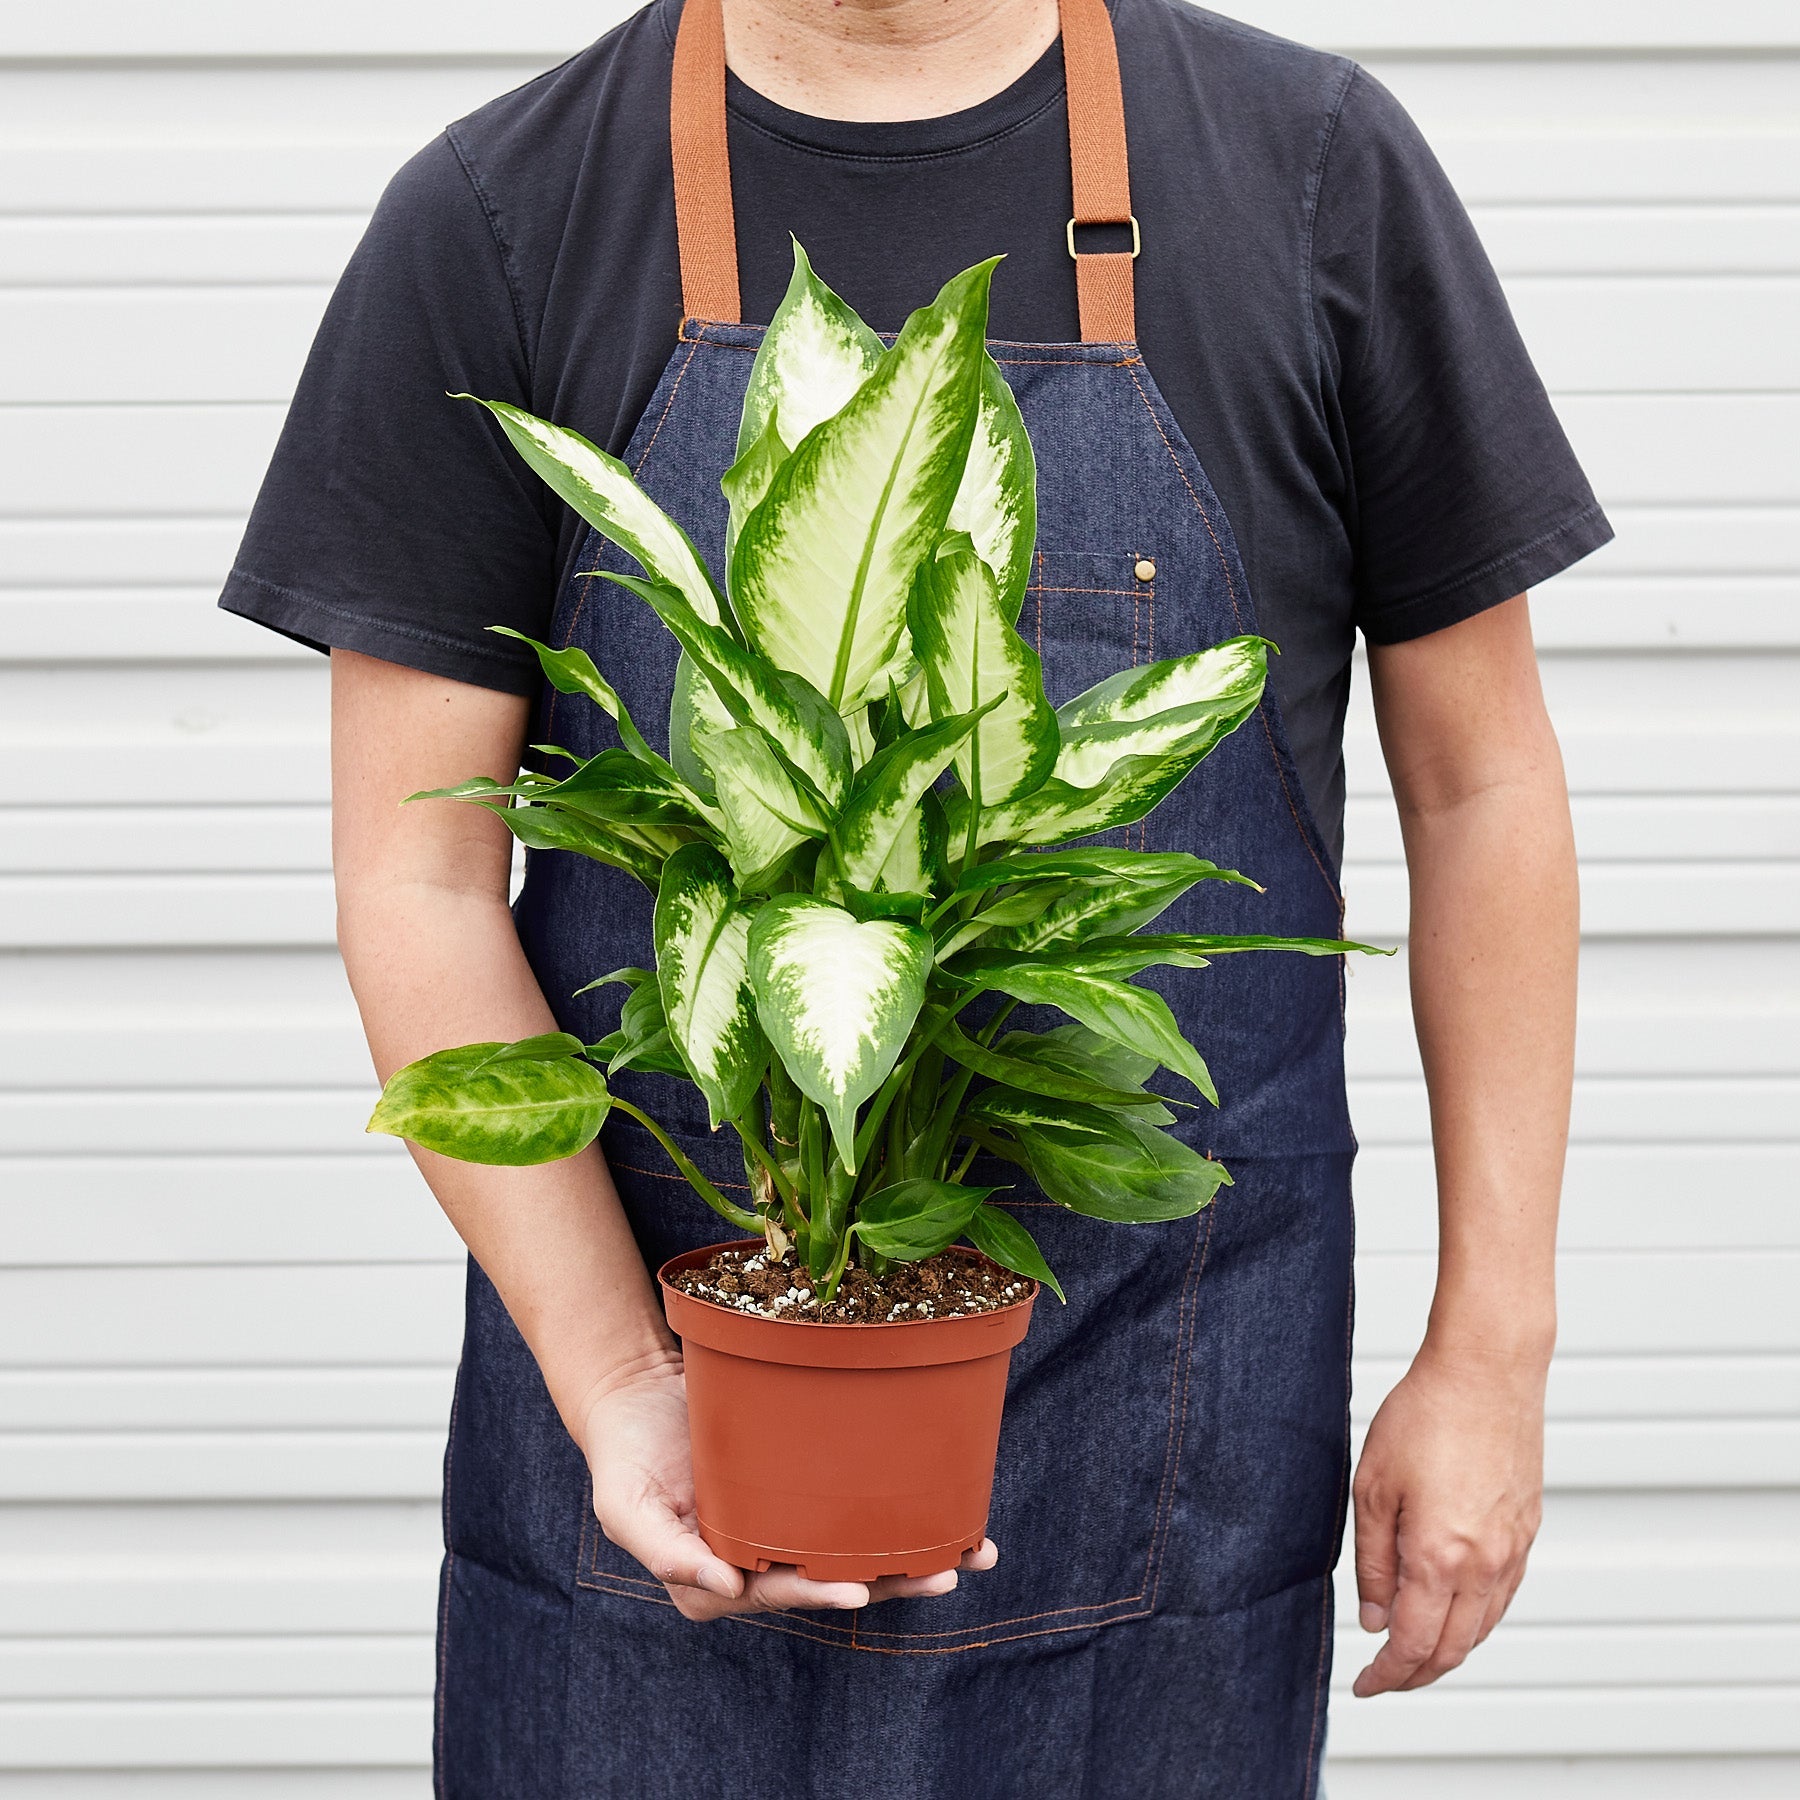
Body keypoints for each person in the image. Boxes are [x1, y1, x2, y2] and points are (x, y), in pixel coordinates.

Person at [221, 1, 1596, 1793]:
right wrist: (620, 1379)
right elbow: (415, 870)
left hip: (1161, 1446)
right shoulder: (501, 210)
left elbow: (1485, 790)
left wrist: (1490, 1353)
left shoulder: (1314, 173)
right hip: (658, 1471)